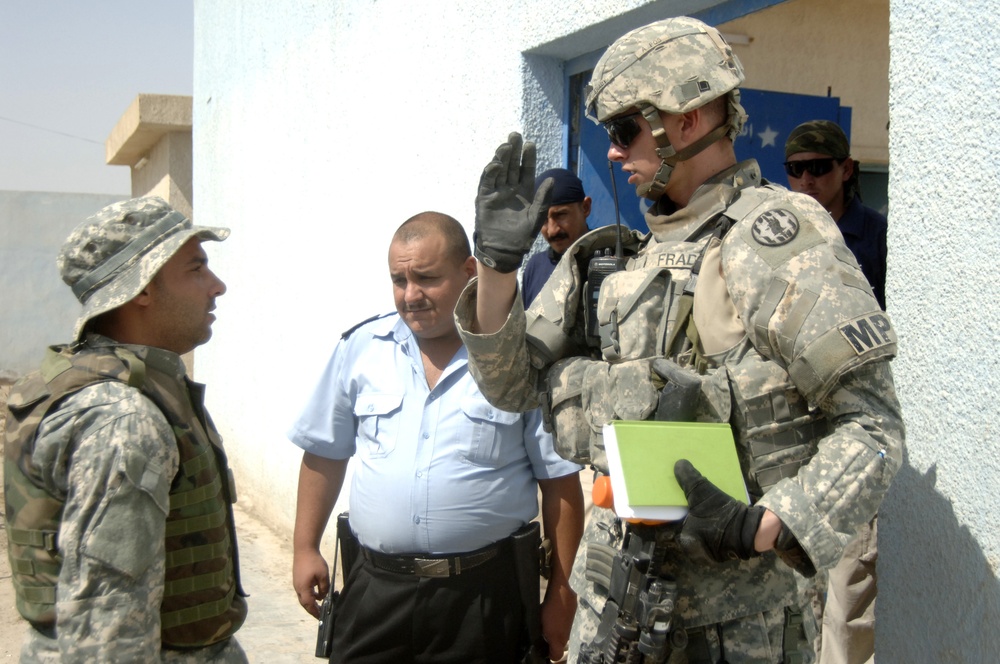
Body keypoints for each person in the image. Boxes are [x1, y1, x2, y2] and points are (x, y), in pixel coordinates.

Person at [455, 16, 903, 664]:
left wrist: (767, 525)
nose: (612, 152)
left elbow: (873, 425)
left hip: (736, 631)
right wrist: (497, 268)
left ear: (688, 119)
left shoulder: (777, 240)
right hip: (614, 611)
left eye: (624, 131)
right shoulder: (614, 260)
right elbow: (510, 386)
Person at [288, 211, 584, 663]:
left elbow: (559, 481)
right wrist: (305, 547)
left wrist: (560, 589)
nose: (411, 296)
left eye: (426, 278)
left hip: (482, 602)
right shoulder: (360, 350)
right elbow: (325, 454)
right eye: (399, 280)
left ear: (469, 272)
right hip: (375, 594)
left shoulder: (517, 359)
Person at [4, 197, 248, 662]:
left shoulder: (99, 381)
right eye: (196, 269)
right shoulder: (124, 420)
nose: (217, 286)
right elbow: (106, 620)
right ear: (142, 289)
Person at [784, 120, 888, 309]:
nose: (806, 180)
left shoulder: (878, 236)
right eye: (795, 169)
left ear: (846, 169)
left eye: (817, 167)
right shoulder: (782, 234)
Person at [521, 168, 592, 307]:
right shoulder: (535, 268)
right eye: (543, 219)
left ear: (585, 208)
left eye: (560, 215)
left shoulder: (613, 260)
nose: (552, 230)